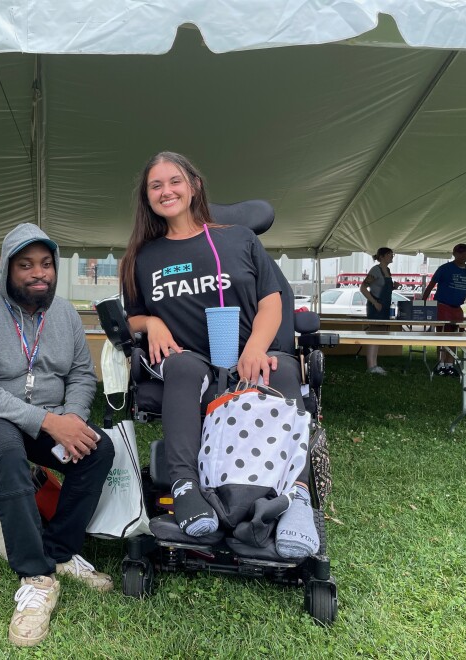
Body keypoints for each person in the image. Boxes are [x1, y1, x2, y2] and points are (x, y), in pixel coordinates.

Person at [119, 151, 318, 560]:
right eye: (155, 186)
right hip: (189, 359)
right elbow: (132, 316)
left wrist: (255, 349)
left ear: (193, 186)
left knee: (280, 375)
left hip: (249, 353)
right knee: (184, 368)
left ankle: (296, 499)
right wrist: (150, 324)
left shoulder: (238, 239)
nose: (166, 191)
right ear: (147, 197)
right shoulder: (144, 256)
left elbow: (271, 301)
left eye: (174, 181)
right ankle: (186, 488)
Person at [0, 223, 115, 648]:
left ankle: (59, 552)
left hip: (49, 416)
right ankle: (35, 576)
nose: (38, 273)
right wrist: (47, 422)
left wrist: (72, 421)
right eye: (25, 265)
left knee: (98, 449)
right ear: (7, 269)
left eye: (45, 264)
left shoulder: (65, 315)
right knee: (6, 449)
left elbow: (81, 375)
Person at [422, 243, 466, 377]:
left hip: (457, 308)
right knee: (443, 335)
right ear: (454, 253)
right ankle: (440, 364)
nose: (464, 255)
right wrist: (423, 302)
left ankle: (450, 365)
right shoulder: (445, 268)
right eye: (461, 253)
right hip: (443, 306)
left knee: (455, 336)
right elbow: (431, 285)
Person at [360, 247, 398, 375]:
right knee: (373, 334)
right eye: (389, 254)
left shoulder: (387, 270)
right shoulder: (375, 270)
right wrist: (375, 302)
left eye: (392, 255)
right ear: (381, 256)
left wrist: (393, 287)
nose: (392, 256)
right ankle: (371, 366)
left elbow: (384, 288)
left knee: (378, 335)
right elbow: (363, 288)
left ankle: (374, 364)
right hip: (376, 307)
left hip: (385, 306)